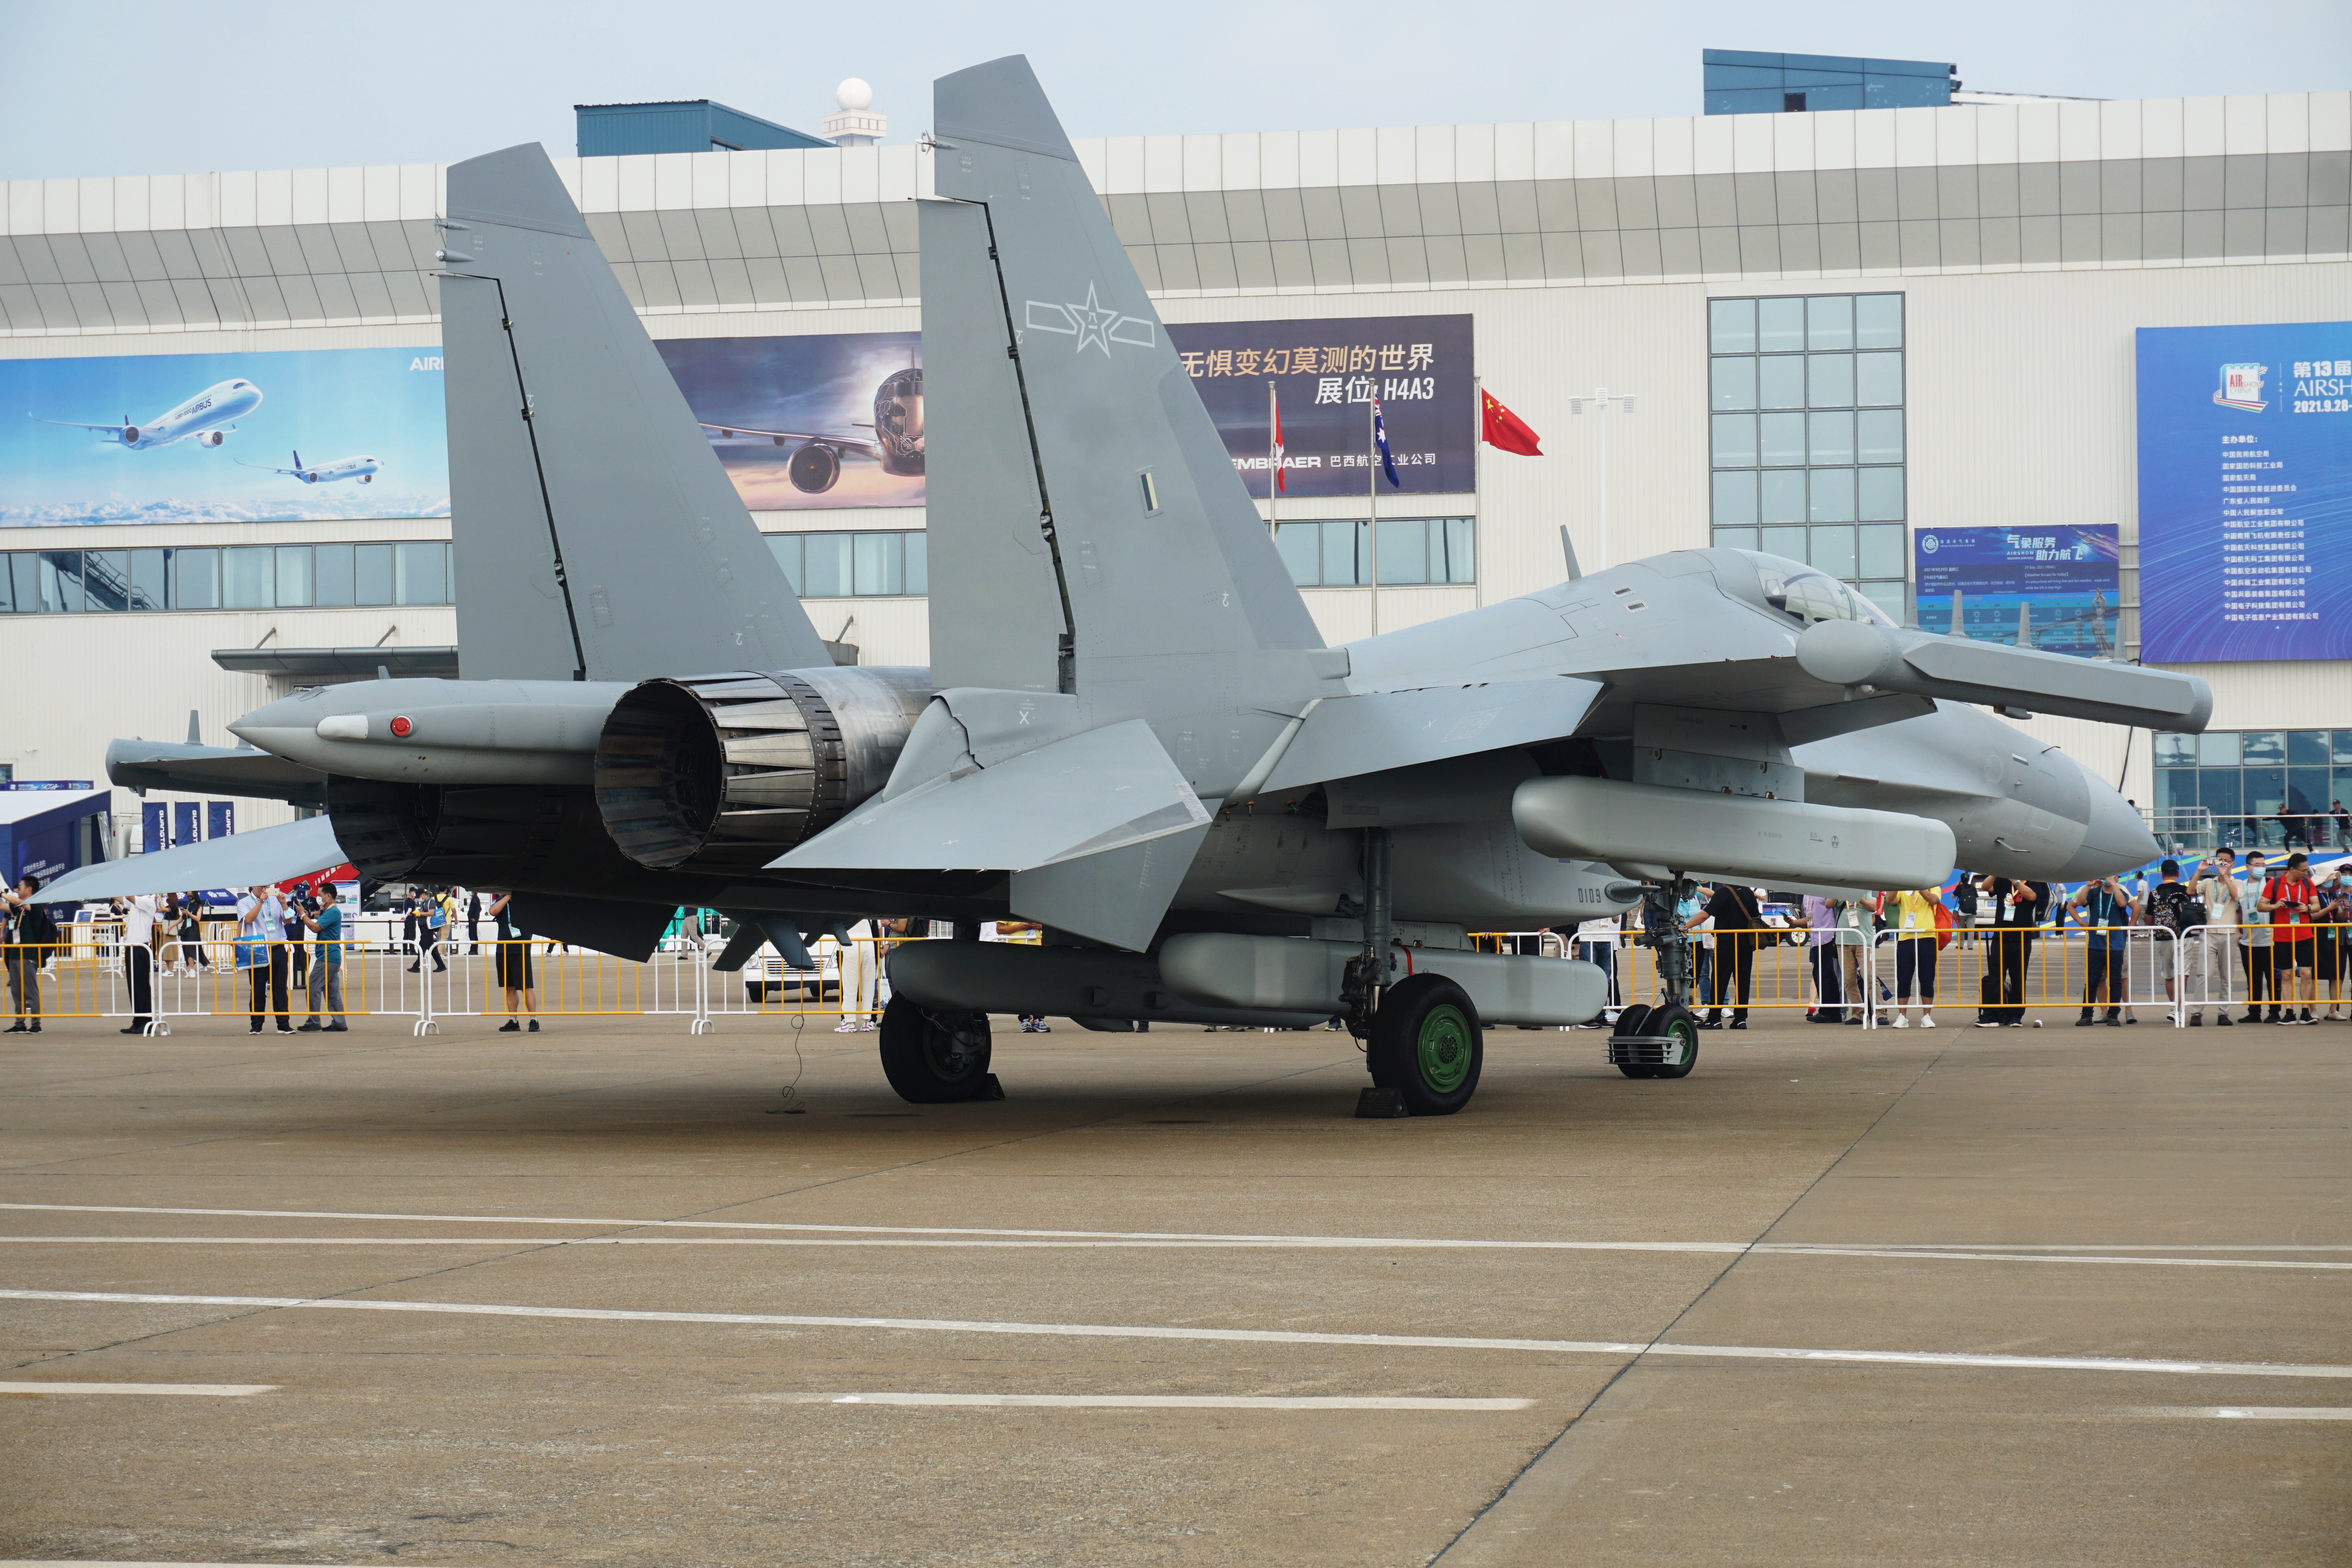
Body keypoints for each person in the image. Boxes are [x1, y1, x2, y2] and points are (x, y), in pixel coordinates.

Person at [2260, 851, 2319, 1024]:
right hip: (2282, 936)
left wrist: (2307, 908)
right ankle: (2289, 1012)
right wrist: (2276, 906)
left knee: (2306, 974)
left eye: (2307, 870)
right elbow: (2261, 906)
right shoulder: (2274, 884)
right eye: (2303, 870)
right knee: (2286, 975)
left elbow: (2316, 905)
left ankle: (2306, 1012)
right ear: (2292, 869)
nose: (2306, 873)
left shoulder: (2308, 883)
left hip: (2304, 934)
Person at [2139, 860, 2200, 1024]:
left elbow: (2149, 920)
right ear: (2178, 874)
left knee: (2169, 976)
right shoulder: (2184, 891)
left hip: (2163, 938)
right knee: (2183, 974)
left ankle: (2174, 1008)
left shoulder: (2155, 893)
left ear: (2162, 874)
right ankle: (2179, 1009)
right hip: (2183, 936)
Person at [1975, 874, 2038, 1027]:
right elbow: (1985, 887)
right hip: (2001, 937)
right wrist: (1996, 872)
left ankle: (2016, 1016)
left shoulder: (2034, 881)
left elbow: (2032, 897)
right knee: (1996, 977)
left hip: (2021, 938)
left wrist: (2016, 882)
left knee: (2018, 978)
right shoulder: (2002, 880)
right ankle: (1991, 1016)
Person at [2069, 874, 2133, 1027]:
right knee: (2092, 981)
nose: (2106, 878)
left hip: (2115, 944)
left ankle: (2113, 1015)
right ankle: (2086, 1015)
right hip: (2096, 944)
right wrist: (2089, 885)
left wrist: (2114, 885)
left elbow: (2123, 904)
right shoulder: (2094, 893)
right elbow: (2078, 903)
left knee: (2116, 980)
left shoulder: (2121, 891)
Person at [2187, 849, 2240, 1027]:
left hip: (2229, 933)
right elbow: (2191, 890)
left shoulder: (2237, 882)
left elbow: (2236, 896)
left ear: (2233, 863)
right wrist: (2200, 871)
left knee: (2227, 975)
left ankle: (2224, 1013)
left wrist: (2225, 876)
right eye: (2220, 860)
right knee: (2204, 974)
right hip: (2209, 932)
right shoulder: (2209, 883)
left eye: (2227, 861)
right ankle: (2197, 1013)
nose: (2223, 864)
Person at [1879, 885, 1943, 1028]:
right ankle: (1902, 1016)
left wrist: (1919, 887)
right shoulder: (1903, 888)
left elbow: (1934, 900)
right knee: (1904, 978)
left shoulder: (1934, 887)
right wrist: (1898, 883)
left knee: (1927, 978)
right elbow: (1890, 900)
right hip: (1906, 938)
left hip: (1927, 936)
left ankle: (1926, 1016)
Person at [236, 882, 292, 1034]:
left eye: (265, 885)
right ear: (252, 887)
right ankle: (256, 1025)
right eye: (259, 886)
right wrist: (261, 902)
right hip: (258, 949)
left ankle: (283, 1024)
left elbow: (289, 921)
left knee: (280, 987)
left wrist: (284, 904)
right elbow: (248, 920)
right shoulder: (244, 902)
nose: (263, 888)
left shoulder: (275, 900)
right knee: (258, 988)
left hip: (278, 947)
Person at [4, 875, 56, 1033]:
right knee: (17, 991)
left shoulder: (35, 906)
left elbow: (19, 902)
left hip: (28, 954)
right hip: (15, 954)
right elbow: (6, 907)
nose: (18, 890)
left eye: (20, 887)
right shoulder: (18, 909)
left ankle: (36, 1024)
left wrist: (2, 894)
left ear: (29, 889)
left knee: (30, 990)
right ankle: (20, 1023)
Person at [295, 882, 348, 1032]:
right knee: (332, 991)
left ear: (328, 896)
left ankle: (314, 1021)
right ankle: (339, 1022)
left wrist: (303, 915)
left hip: (327, 957)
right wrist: (307, 914)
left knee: (313, 987)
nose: (318, 898)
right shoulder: (329, 911)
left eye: (320, 895)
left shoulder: (333, 912)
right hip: (331, 956)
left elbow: (315, 928)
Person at [485, 892, 538, 1031]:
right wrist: (507, 898)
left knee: (526, 986)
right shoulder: (501, 902)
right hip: (504, 948)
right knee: (510, 987)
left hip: (521, 948)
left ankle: (534, 1019)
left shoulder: (526, 903)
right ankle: (513, 1020)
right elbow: (493, 911)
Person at [112, 892, 162, 1034]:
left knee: (141, 986)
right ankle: (138, 1020)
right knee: (133, 986)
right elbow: (120, 897)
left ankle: (147, 1020)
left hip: (141, 948)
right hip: (131, 948)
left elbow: (128, 897)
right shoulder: (136, 903)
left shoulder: (148, 901)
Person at [2237, 850, 2276, 1022]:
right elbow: (2238, 911)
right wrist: (2238, 932)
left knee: (2274, 979)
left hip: (2271, 940)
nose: (2261, 868)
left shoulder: (2271, 884)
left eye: (2264, 865)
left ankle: (2274, 1013)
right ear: (2248, 867)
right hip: (2248, 941)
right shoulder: (2241, 885)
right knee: (2253, 979)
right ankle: (2254, 1013)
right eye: (2257, 865)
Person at [2312, 865, 2349, 1022]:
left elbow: (2340, 919)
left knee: (2337, 974)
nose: (2334, 880)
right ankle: (2312, 1010)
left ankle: (2334, 1010)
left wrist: (2343, 910)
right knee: (2313, 974)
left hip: (2333, 938)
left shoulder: (2334, 894)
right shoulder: (2313, 895)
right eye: (2331, 877)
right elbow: (2313, 916)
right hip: (2317, 936)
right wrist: (2330, 908)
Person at [1572, 910, 1621, 1026]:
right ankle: (1586, 1017)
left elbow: (1616, 919)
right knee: (1589, 979)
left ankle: (1600, 1015)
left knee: (1605, 980)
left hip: (1607, 938)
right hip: (1588, 938)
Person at [1802, 893, 1842, 1022]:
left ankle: (1829, 1011)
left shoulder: (1823, 892)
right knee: (1821, 974)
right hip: (1815, 937)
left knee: (1825, 974)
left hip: (1826, 936)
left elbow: (1830, 905)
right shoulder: (1807, 896)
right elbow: (1810, 918)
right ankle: (1831, 1011)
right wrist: (1792, 922)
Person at [835, 918, 879, 1032]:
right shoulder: (869, 908)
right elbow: (878, 927)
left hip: (851, 942)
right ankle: (866, 1021)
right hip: (869, 943)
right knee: (869, 985)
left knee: (850, 984)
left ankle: (849, 1022)